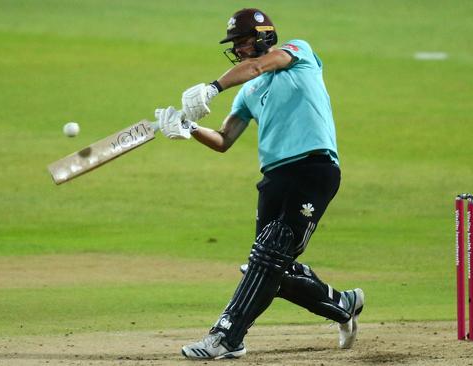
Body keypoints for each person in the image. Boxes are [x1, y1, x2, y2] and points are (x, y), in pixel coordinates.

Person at [154, 8, 364, 360]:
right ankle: (343, 304)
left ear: (265, 35)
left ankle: (226, 337)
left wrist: (213, 87)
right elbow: (224, 139)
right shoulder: (248, 92)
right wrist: (187, 128)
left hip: (314, 168)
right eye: (234, 44)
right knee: (267, 267)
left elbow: (256, 66)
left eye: (243, 41)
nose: (238, 49)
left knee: (271, 253)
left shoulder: (299, 53)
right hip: (275, 178)